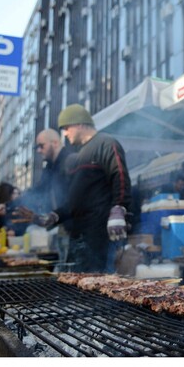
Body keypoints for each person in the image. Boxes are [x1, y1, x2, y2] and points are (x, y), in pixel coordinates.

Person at [19, 104, 133, 273]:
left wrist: (118, 208)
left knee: (100, 287)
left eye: (66, 128)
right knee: (78, 287)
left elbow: (120, 175)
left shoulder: (106, 143)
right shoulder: (77, 157)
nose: (65, 133)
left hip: (100, 235)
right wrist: (54, 216)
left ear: (79, 124)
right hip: (79, 236)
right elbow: (73, 200)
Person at [19, 129, 74, 270]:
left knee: (74, 272)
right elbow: (37, 190)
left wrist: (55, 215)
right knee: (64, 269)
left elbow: (77, 199)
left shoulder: (70, 161)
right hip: (61, 227)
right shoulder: (49, 167)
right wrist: (9, 205)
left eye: (41, 145)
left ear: (54, 143)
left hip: (76, 229)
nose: (38, 150)